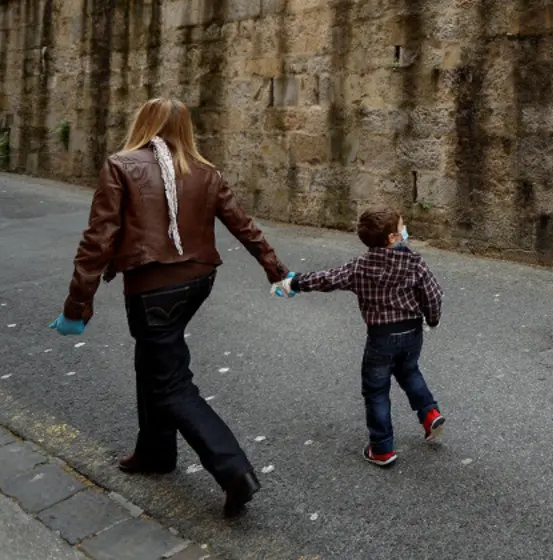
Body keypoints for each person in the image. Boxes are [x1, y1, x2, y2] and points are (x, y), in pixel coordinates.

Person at [52, 98, 289, 518]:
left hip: (153, 288)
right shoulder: (206, 171)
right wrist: (274, 267)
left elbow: (97, 241)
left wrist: (77, 304)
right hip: (197, 282)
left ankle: (234, 471)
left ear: (143, 122)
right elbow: (242, 223)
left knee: (171, 382)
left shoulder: (121, 165)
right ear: (185, 128)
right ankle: (155, 452)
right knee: (155, 360)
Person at [272, 206, 443, 467]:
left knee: (376, 391)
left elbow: (327, 279)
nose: (405, 230)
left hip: (381, 338)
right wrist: (431, 319)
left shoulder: (359, 267)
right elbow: (432, 294)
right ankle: (429, 413)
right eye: (401, 227)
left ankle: (382, 448)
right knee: (409, 372)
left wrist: (293, 283)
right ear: (392, 238)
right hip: (411, 333)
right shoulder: (415, 263)